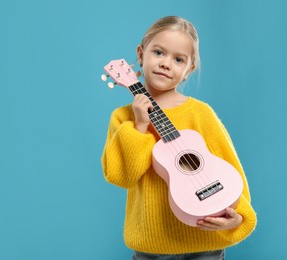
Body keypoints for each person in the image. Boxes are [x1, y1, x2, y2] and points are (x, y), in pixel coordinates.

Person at [101, 16, 257, 260]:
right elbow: (122, 176)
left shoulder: (201, 113)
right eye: (159, 52)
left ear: (189, 69)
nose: (166, 64)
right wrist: (139, 126)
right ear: (141, 54)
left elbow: (229, 170)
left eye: (178, 59)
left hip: (206, 243)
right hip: (152, 246)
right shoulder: (123, 118)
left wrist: (239, 218)